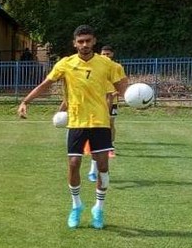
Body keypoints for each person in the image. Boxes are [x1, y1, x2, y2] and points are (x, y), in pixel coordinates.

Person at [18, 25, 128, 230]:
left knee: (103, 166)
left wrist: (137, 96)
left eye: (88, 40)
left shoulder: (107, 64)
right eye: (80, 41)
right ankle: (76, 206)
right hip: (76, 121)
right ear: (74, 43)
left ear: (94, 41)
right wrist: (26, 101)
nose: (84, 44)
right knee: (74, 163)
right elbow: (46, 84)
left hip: (100, 122)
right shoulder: (66, 64)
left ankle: (99, 209)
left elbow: (124, 88)